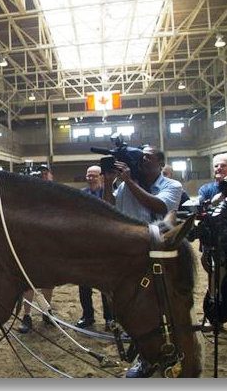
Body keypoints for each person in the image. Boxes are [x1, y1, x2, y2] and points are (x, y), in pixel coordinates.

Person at [102, 145, 183, 377]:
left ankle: (171, 352)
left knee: (159, 307)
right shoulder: (125, 185)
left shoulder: (171, 185)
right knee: (131, 307)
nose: (143, 159)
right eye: (142, 156)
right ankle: (144, 357)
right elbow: (109, 208)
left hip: (158, 257)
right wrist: (109, 182)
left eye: (148, 156)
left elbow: (158, 206)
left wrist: (129, 182)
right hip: (128, 255)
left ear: (160, 162)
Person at [75, 165, 114, 330]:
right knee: (84, 284)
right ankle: (88, 316)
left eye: (94, 175)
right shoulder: (81, 195)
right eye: (88, 175)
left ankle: (109, 318)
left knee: (106, 285)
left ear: (102, 177)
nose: (90, 178)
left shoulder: (111, 194)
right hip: (86, 244)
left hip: (105, 245)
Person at [18, 164, 55, 333]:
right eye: (40, 173)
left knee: (48, 281)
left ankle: (47, 312)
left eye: (45, 173)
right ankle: (27, 316)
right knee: (28, 282)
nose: (42, 176)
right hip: (29, 243)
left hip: (48, 243)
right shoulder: (26, 194)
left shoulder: (54, 194)